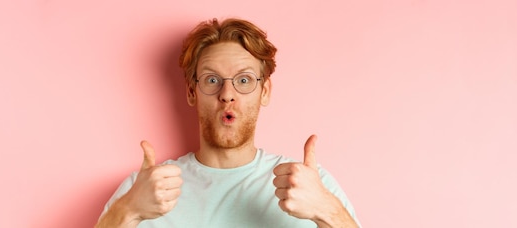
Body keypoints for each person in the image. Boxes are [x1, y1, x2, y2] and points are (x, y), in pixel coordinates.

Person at [95, 18, 361, 228]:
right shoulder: (144, 189)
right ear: (191, 92)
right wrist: (127, 210)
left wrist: (326, 211)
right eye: (212, 80)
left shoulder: (310, 185)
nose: (227, 94)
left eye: (244, 80)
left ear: (264, 91)